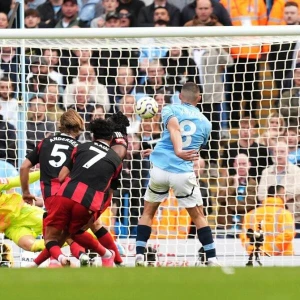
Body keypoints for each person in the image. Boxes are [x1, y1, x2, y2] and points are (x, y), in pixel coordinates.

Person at [135, 82, 219, 266]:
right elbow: (193, 145)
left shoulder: (170, 109)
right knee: (198, 216)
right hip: (183, 172)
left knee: (148, 212)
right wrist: (179, 152)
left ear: (180, 96)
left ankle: (139, 254)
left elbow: (174, 129)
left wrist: (162, 151)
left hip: (160, 171)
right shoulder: (206, 123)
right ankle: (211, 258)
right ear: (199, 98)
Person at [42, 117, 128, 266]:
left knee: (54, 235)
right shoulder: (117, 159)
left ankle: (55, 261)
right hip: (92, 201)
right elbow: (110, 190)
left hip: (65, 194)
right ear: (112, 137)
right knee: (82, 229)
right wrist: (99, 209)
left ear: (93, 136)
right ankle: (115, 259)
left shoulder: (80, 147)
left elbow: (61, 177)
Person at [240, 185, 295, 256]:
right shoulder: (285, 214)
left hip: (257, 257)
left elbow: (244, 237)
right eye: (285, 195)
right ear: (277, 195)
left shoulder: (250, 214)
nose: (287, 198)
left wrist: (255, 250)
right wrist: (269, 250)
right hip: (283, 257)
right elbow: (288, 234)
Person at [0, 171, 45, 253]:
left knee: (59, 227)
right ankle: (64, 244)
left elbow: (19, 180)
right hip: (11, 228)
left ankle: (71, 240)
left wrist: (45, 171)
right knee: (32, 246)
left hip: (24, 213)